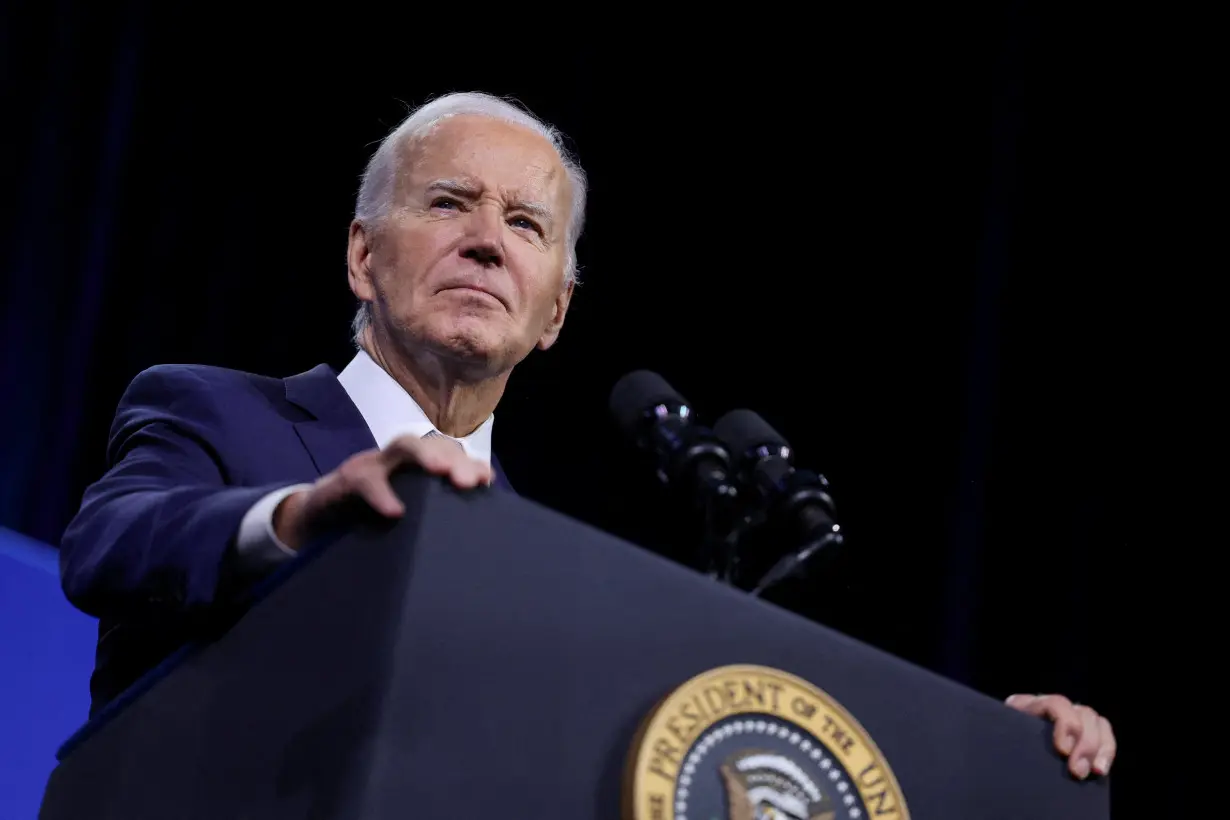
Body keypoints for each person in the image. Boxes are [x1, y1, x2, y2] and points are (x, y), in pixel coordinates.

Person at [59, 91, 1116, 780]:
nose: (485, 241)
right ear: (361, 257)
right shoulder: (213, 411)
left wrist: (994, 762)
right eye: (449, 203)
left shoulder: (540, 574)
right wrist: (307, 510)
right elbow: (113, 544)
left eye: (525, 226)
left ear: (554, 311)